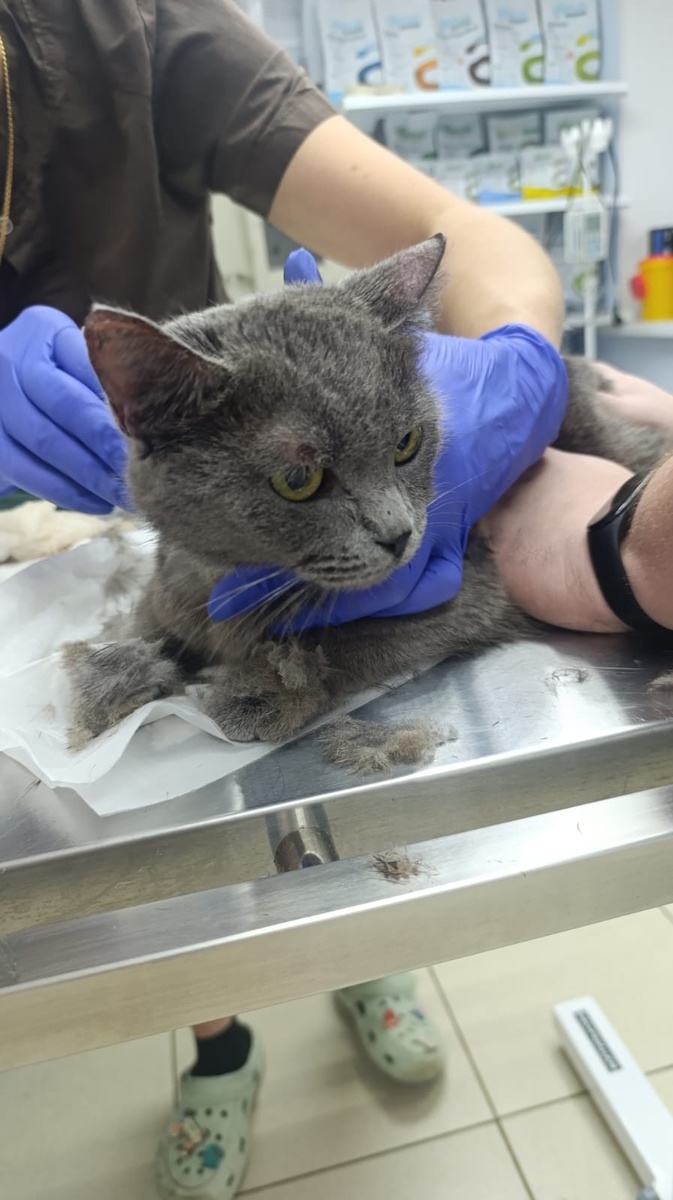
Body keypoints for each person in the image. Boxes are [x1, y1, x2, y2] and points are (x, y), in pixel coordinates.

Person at [0, 3, 663, 1199]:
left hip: (271, 398)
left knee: (330, 823)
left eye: (405, 461)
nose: (394, 526)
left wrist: (516, 362)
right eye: (316, 484)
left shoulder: (126, 27)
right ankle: (220, 1040)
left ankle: (366, 953)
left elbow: (467, 244)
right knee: (175, 865)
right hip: (163, 458)